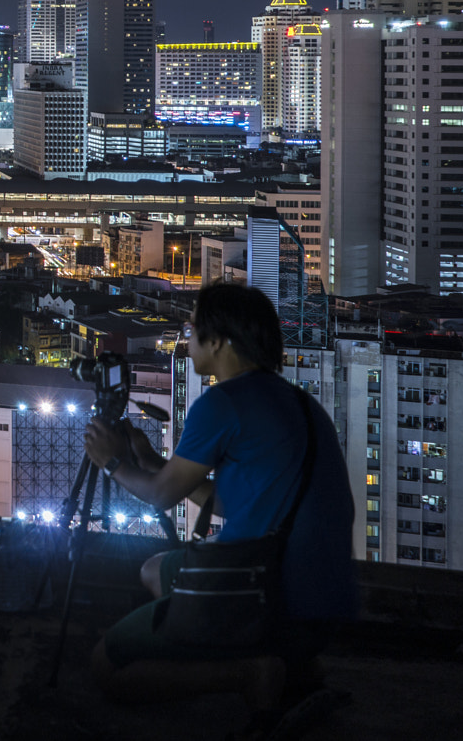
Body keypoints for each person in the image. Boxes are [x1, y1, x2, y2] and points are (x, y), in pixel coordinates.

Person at [80, 282, 355, 730]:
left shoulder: (222, 402)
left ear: (219, 340)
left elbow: (160, 497)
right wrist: (151, 461)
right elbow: (235, 502)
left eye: (191, 330)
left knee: (106, 667)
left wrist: (109, 461)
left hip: (261, 592)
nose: (185, 339)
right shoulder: (299, 404)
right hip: (323, 604)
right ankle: (296, 666)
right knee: (153, 569)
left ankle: (247, 672)